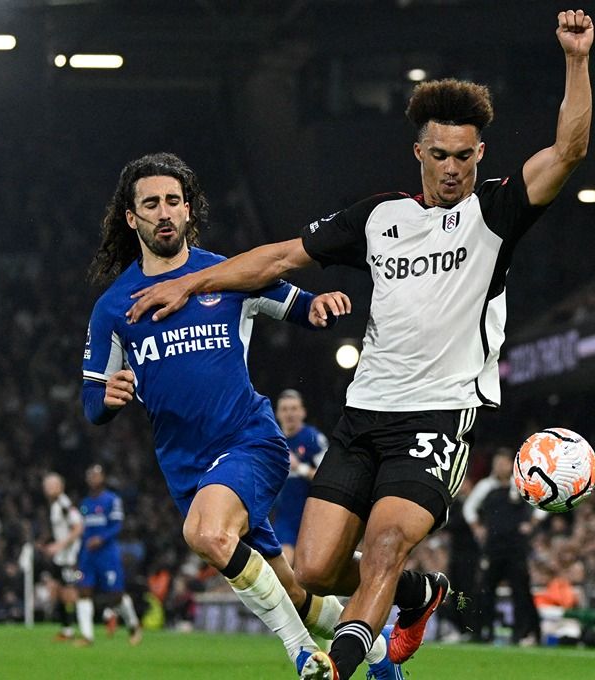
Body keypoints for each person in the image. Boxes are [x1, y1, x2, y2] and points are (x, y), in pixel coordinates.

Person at [125, 11, 594, 679]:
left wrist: (576, 61)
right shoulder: (380, 219)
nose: (454, 169)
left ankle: (341, 665)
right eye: (441, 155)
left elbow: (570, 150)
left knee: (386, 542)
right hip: (363, 414)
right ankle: (418, 595)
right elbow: (282, 257)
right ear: (419, 153)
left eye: (466, 156)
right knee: (314, 566)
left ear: (480, 155)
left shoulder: (494, 212)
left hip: (438, 415)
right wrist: (192, 281)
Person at [81, 152, 401, 679]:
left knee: (204, 534)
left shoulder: (225, 275)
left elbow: (296, 303)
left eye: (173, 201)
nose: (164, 212)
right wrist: (108, 396)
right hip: (187, 468)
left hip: (249, 442)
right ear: (130, 218)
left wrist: (318, 308)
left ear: (188, 211)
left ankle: (303, 655)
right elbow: (92, 401)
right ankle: (381, 656)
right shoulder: (114, 307)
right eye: (150, 204)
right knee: (294, 593)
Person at [462, 448, 541, 646]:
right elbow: (468, 508)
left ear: (511, 464)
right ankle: (482, 631)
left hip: (516, 547)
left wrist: (532, 523)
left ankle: (522, 633)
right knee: (485, 590)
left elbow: (542, 503)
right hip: (493, 547)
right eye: (497, 462)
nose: (499, 466)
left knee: (520, 591)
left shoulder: (522, 483)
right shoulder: (485, 486)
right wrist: (477, 528)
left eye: (503, 462)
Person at [73, 465, 142, 646]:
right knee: (83, 591)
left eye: (96, 475)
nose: (93, 478)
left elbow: (117, 525)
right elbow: (81, 530)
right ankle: (87, 636)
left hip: (107, 553)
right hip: (88, 555)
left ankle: (133, 625)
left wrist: (101, 539)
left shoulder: (112, 500)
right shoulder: (85, 503)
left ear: (103, 478)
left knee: (116, 595)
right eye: (90, 475)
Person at [271, 390, 329, 563]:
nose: (290, 413)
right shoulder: (272, 443)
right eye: (285, 409)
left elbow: (328, 478)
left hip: (312, 517)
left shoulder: (313, 439)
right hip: (284, 518)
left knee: (312, 571)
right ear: (278, 413)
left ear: (302, 412)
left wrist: (300, 468)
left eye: (294, 408)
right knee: (284, 565)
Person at [42, 472, 84, 641]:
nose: (47, 488)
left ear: (60, 486)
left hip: (70, 557)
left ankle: (85, 627)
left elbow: (78, 527)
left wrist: (60, 545)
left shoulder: (64, 504)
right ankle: (66, 630)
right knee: (58, 590)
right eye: (46, 485)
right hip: (61, 557)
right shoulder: (55, 505)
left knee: (70, 593)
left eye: (51, 485)